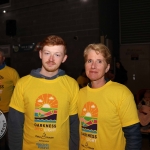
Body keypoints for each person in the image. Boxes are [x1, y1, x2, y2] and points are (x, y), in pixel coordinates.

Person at [8, 35, 79, 150]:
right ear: (40, 54)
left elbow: (74, 124)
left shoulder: (72, 85)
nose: (51, 59)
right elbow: (14, 124)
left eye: (57, 55)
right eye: (47, 53)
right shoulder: (23, 84)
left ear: (64, 58)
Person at [77, 43, 142, 150]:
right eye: (89, 61)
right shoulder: (79, 94)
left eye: (99, 61)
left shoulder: (122, 93)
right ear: (85, 65)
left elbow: (133, 136)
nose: (93, 66)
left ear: (107, 68)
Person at [0, 50, 20, 150]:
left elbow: (19, 91)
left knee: (8, 138)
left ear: (3, 58)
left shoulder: (11, 72)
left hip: (7, 111)